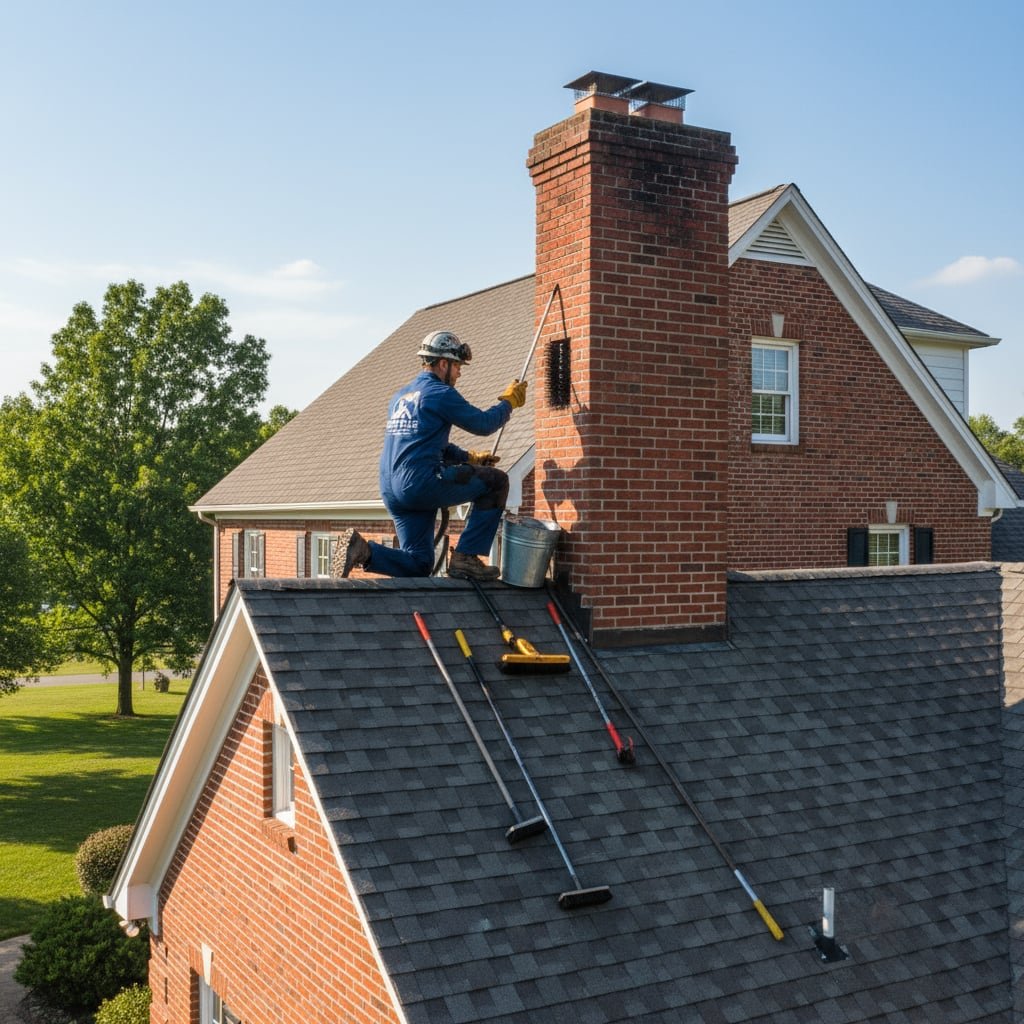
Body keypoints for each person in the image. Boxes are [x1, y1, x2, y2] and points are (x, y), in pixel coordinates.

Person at [333, 330, 527, 581]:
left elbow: (425, 443)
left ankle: (364, 551)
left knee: (419, 563)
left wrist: (469, 458)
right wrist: (508, 402)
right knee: (496, 482)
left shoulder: (400, 396)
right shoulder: (440, 393)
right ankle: (466, 558)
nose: (459, 372)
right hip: (420, 483)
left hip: (392, 490)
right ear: (443, 363)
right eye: (457, 366)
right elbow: (484, 424)